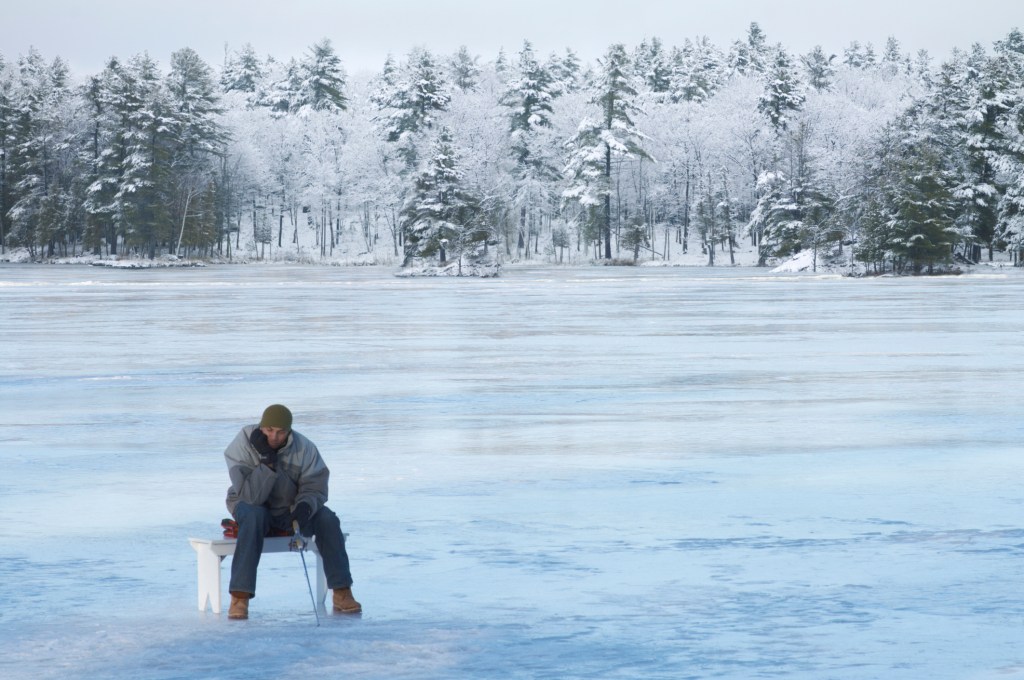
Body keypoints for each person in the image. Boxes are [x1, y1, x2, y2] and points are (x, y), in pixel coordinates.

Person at [223, 404, 361, 619]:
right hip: (249, 504)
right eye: (269, 430)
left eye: (280, 431)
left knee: (327, 518)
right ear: (261, 426)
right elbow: (251, 497)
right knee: (254, 516)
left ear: (289, 431)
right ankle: (240, 597)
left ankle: (342, 591)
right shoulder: (242, 443)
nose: (274, 436)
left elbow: (316, 486)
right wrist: (267, 462)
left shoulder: (304, 448)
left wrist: (305, 506)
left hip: (288, 508)